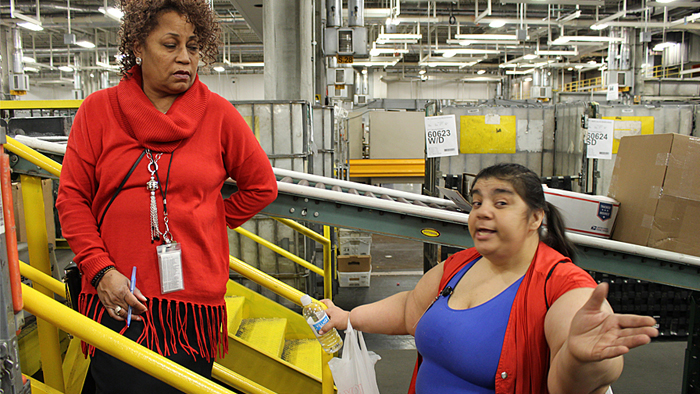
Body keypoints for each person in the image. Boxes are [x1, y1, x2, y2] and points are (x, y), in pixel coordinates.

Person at [55, 0, 277, 392]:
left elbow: (261, 187)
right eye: (170, 45)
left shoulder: (219, 115)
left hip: (189, 311)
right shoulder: (98, 111)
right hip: (118, 297)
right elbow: (72, 200)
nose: (185, 59)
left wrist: (209, 219)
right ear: (138, 46)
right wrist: (100, 270)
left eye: (193, 47)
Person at [321, 163, 658, 394]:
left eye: (501, 202)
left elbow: (571, 384)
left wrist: (580, 358)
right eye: (477, 201)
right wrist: (348, 317)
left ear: (535, 217)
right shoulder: (462, 264)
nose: (482, 211)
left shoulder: (563, 288)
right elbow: (412, 308)